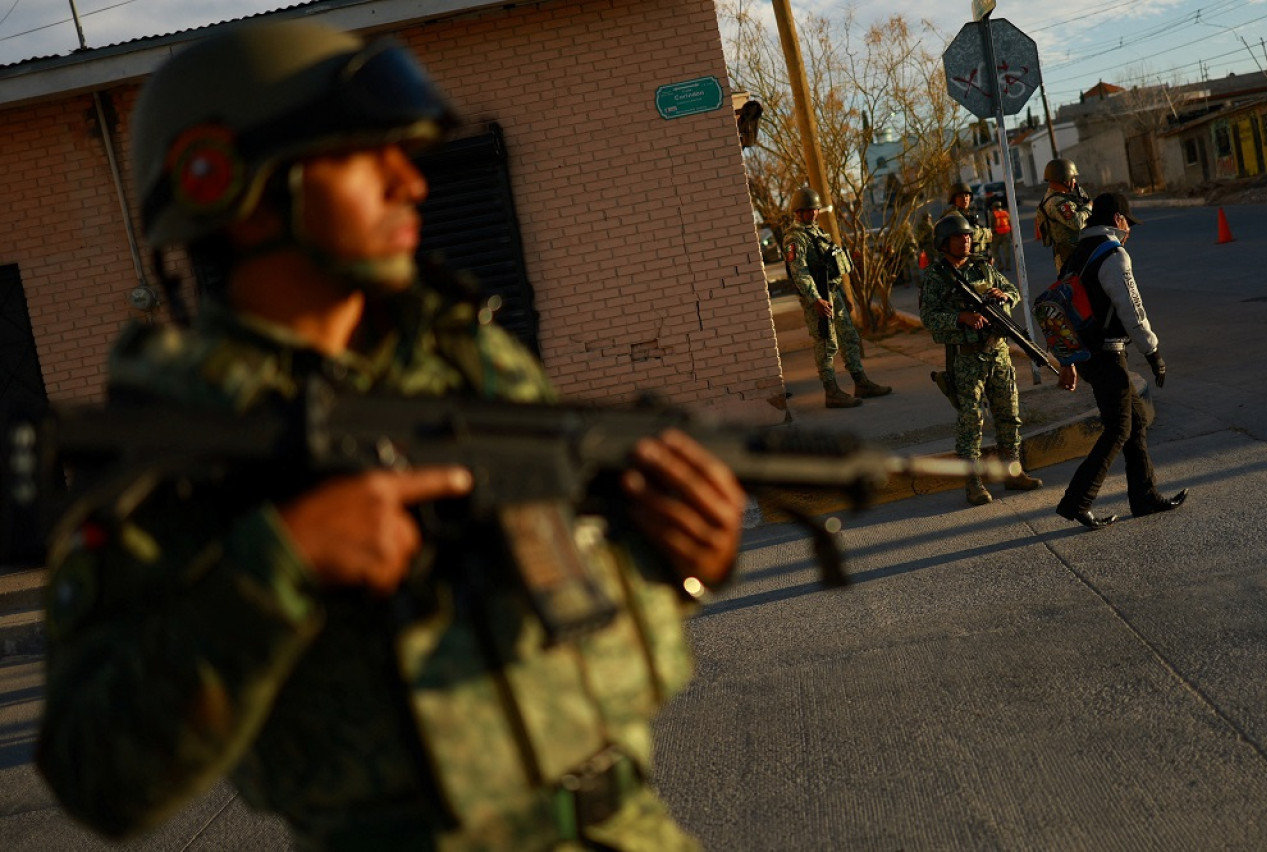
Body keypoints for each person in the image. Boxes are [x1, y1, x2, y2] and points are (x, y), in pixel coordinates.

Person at [36, 20, 747, 850]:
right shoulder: (178, 441)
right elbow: (98, 778)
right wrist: (281, 566)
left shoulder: (469, 359)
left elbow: (563, 592)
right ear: (231, 184)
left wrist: (684, 562)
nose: (412, 182)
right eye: (363, 156)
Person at [1054, 193, 1187, 530]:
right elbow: (1132, 308)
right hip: (1106, 353)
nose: (1130, 230)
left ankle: (1145, 497)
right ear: (1117, 220)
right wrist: (1152, 352)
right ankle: (1077, 502)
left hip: (1087, 353)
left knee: (1135, 422)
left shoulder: (1076, 255)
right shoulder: (1113, 255)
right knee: (1119, 428)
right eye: (1128, 222)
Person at [919, 214, 1043, 505]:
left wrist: (1004, 297)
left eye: (967, 235)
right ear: (943, 242)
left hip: (997, 352)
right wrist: (960, 317)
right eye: (958, 237)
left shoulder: (982, 267)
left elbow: (1013, 292)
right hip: (966, 359)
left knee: (1008, 415)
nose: (966, 239)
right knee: (971, 421)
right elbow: (929, 317)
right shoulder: (937, 277)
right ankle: (973, 483)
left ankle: (1013, 472)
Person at [783, 187, 891, 407]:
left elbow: (830, 267)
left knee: (849, 337)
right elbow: (799, 272)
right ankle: (831, 392)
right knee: (826, 344)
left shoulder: (818, 233)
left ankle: (861, 382)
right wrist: (815, 299)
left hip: (833, 294)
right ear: (798, 212)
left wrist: (843, 295)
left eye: (815, 209)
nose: (814, 214)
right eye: (809, 210)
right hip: (819, 299)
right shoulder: (795, 238)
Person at [1034, 158, 1092, 272]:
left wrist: (1081, 194)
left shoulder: (1060, 198)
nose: (1075, 181)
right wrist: (1089, 207)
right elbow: (1077, 223)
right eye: (1073, 178)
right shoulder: (1057, 202)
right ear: (1065, 180)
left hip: (1076, 255)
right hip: (1070, 260)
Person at [943, 181, 992, 259]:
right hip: (962, 260)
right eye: (960, 196)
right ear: (953, 199)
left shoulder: (973, 214)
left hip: (979, 258)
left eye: (966, 195)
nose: (964, 198)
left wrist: (988, 256)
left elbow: (984, 238)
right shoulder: (951, 218)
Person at [989, 200, 1013, 273]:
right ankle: (1008, 266)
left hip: (996, 235)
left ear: (994, 207)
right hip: (1006, 234)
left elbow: (991, 225)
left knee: (994, 251)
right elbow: (1010, 224)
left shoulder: (992, 214)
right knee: (1007, 251)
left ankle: (1000, 264)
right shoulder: (1006, 213)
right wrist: (1011, 235)